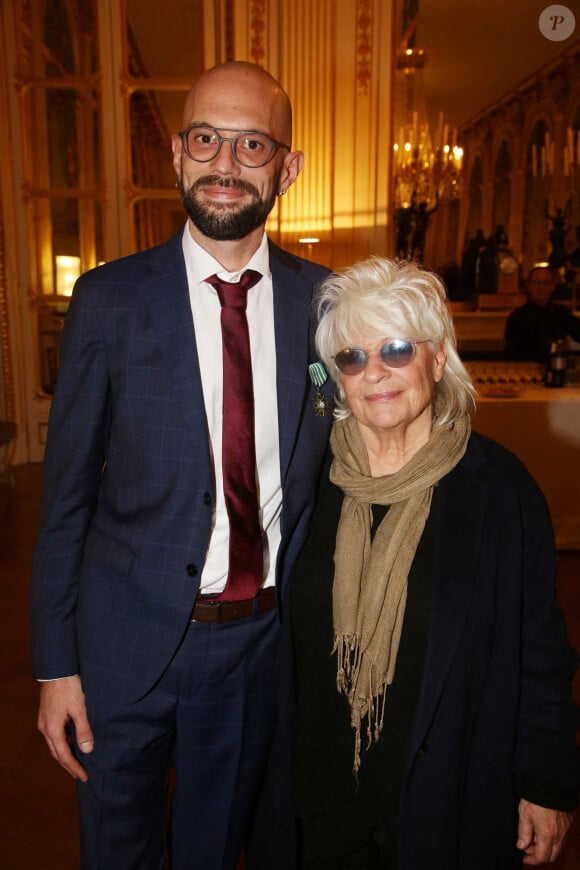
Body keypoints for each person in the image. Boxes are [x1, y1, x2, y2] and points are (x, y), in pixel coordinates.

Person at [30, 61, 333, 870]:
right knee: (118, 850)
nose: (225, 164)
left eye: (252, 144)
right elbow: (63, 503)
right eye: (206, 138)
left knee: (213, 850)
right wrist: (55, 667)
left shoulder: (328, 305)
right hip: (119, 649)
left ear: (287, 167)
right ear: (175, 151)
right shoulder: (109, 300)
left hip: (253, 650)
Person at [290, 256, 579, 869]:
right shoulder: (305, 481)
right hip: (317, 797)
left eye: (396, 349)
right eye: (352, 357)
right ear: (334, 376)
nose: (375, 374)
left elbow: (540, 651)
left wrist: (545, 782)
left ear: (438, 359)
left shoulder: (498, 489)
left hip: (445, 794)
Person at [504, 264, 580, 362]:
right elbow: (511, 352)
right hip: (524, 370)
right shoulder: (517, 317)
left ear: (553, 286)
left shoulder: (562, 313)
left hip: (556, 367)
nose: (541, 287)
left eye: (546, 283)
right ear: (528, 286)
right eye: (536, 283)